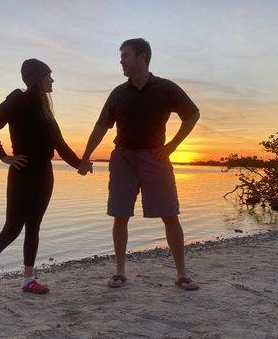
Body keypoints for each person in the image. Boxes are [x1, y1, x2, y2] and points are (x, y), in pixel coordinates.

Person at [0, 59, 92, 299]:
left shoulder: (45, 108)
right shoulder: (18, 100)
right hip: (22, 173)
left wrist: (79, 165)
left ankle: (28, 279)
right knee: (11, 229)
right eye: (49, 76)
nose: (52, 80)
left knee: (34, 227)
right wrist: (2, 155)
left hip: (45, 173)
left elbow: (59, 144)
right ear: (37, 78)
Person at [78, 38, 200, 291]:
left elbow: (192, 114)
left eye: (125, 55)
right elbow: (101, 126)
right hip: (123, 158)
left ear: (142, 57)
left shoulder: (165, 88)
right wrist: (85, 156)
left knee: (170, 215)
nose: (121, 61)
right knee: (120, 215)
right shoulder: (118, 93)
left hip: (155, 158)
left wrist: (172, 146)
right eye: (121, 56)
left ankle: (182, 273)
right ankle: (120, 272)